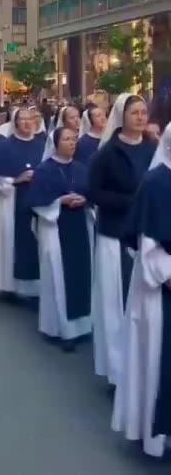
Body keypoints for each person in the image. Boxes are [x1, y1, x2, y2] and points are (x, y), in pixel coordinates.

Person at [88, 93, 156, 386]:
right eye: (134, 113)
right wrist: (130, 202)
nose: (140, 118)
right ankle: (117, 371)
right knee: (115, 303)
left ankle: (143, 367)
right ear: (122, 117)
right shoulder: (107, 153)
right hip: (114, 234)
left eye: (143, 112)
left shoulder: (154, 148)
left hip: (146, 236)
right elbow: (94, 192)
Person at [112, 123, 171, 458]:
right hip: (159, 289)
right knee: (158, 362)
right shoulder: (156, 183)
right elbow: (148, 245)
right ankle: (155, 434)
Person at [27, 127, 93, 350]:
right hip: (54, 228)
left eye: (74, 139)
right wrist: (60, 202)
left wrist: (84, 200)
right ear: (55, 143)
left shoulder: (81, 168)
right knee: (58, 278)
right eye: (66, 139)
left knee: (81, 274)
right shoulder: (44, 170)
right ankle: (61, 330)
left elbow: (91, 194)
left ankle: (83, 326)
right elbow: (36, 203)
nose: (72, 143)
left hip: (80, 227)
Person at [0, 108, 45, 295]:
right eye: (22, 120)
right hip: (11, 199)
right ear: (15, 123)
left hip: (37, 201)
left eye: (30, 119)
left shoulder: (42, 144)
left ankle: (36, 287)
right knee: (10, 243)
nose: (27, 123)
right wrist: (16, 179)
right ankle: (11, 286)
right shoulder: (5, 146)